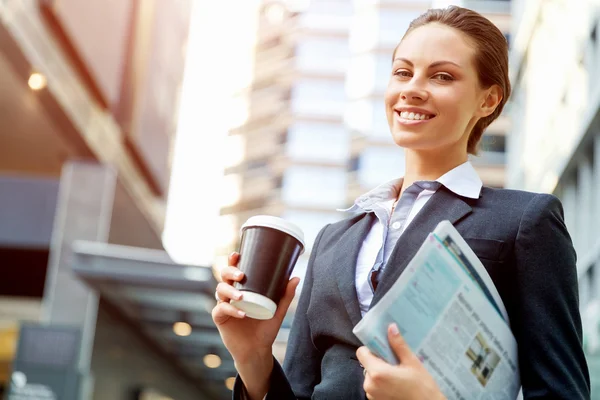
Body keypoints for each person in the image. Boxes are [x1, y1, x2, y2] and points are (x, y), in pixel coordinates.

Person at [212, 6, 591, 400]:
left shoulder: (524, 221)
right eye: (403, 72)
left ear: (489, 100)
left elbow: (562, 392)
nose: (412, 88)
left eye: (442, 76)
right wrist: (254, 357)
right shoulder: (332, 240)